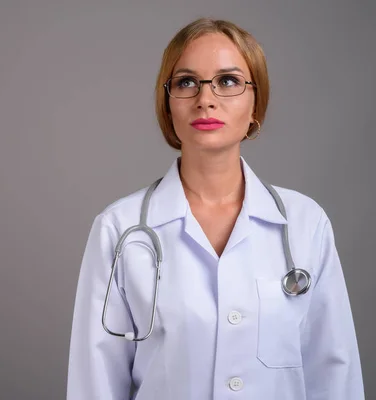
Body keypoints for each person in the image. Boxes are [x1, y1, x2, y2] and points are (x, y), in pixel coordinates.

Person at [66, 17, 364, 399]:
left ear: (256, 103)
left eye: (228, 81)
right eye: (187, 82)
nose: (205, 99)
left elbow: (335, 375)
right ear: (168, 103)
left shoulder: (306, 224)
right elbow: (95, 384)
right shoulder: (119, 229)